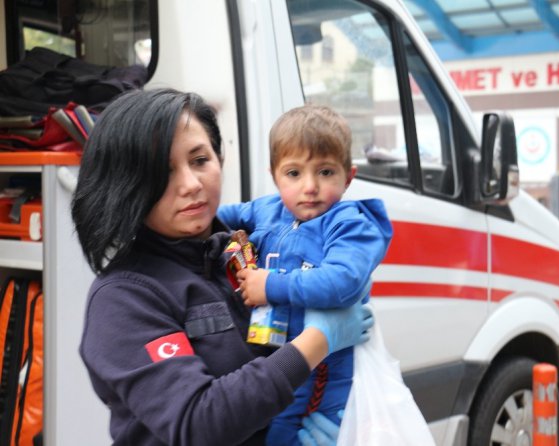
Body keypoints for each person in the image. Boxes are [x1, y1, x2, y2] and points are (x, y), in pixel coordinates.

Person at [70, 88, 374, 446]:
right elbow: (197, 423)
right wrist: (316, 342)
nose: (191, 184)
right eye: (163, 170)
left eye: (200, 160)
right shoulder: (124, 297)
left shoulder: (245, 251)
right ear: (126, 185)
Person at [217, 104, 393, 446]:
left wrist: (271, 285)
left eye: (325, 172)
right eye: (294, 173)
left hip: (321, 379)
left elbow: (341, 282)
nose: (309, 187)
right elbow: (216, 218)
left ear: (349, 176)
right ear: (274, 175)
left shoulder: (350, 224)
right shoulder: (268, 209)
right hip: (273, 363)